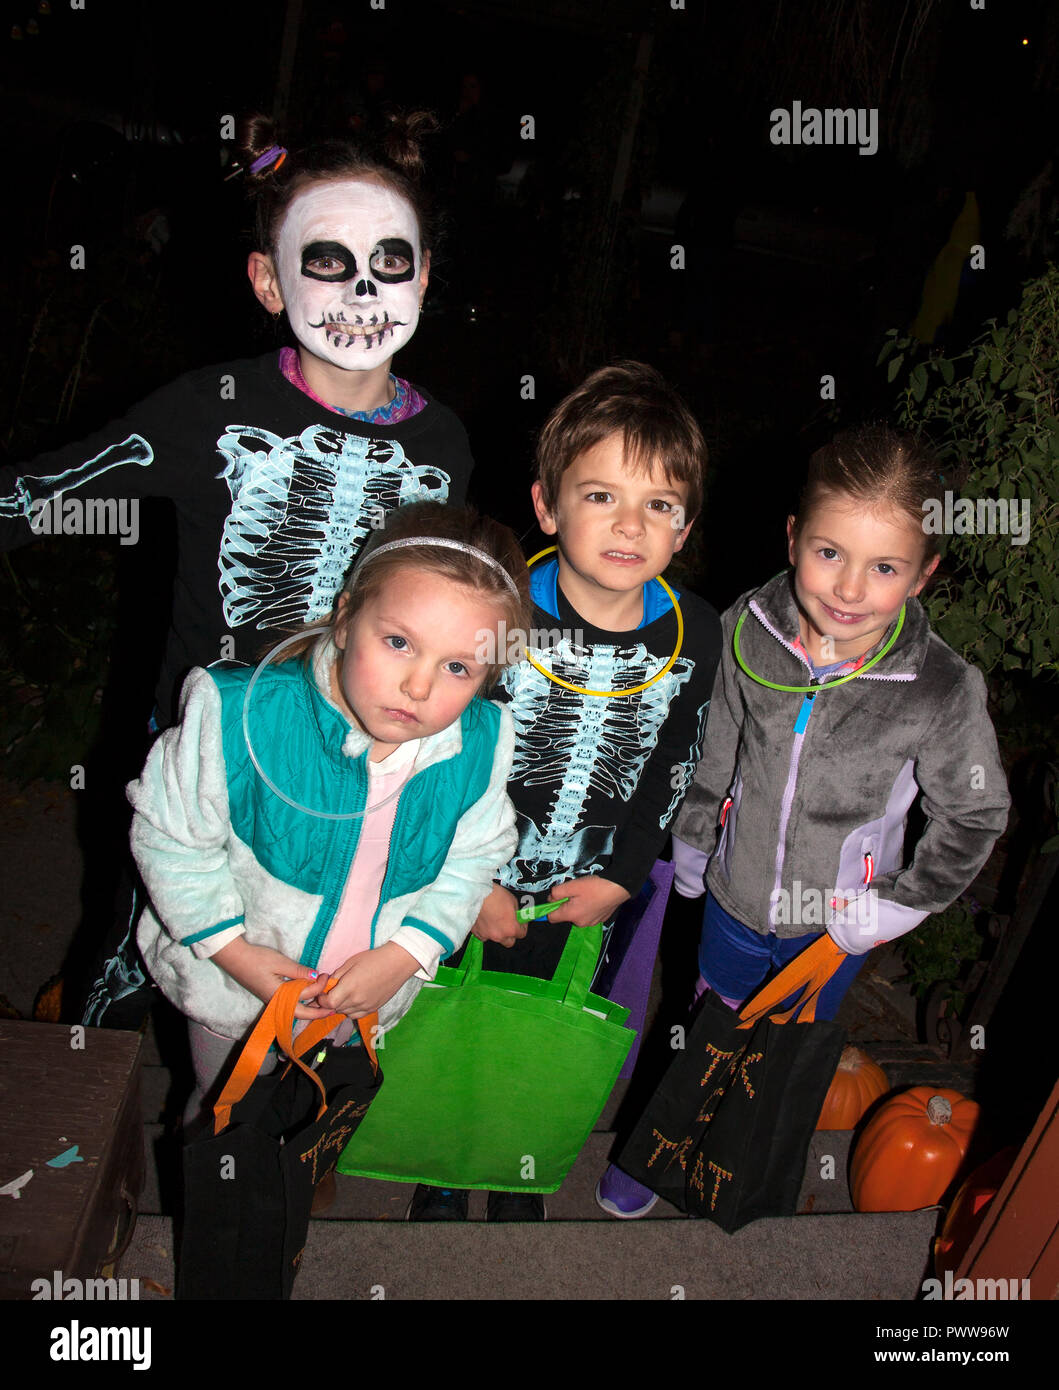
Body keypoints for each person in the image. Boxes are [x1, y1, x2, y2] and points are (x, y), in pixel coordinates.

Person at [0, 111, 475, 1024]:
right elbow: (45, 493)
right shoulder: (210, 409)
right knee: (134, 967)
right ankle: (87, 1118)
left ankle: (269, 1150)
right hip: (204, 756)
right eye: (327, 260)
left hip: (352, 764)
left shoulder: (443, 440)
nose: (362, 289)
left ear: (423, 276)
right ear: (268, 281)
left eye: (391, 260)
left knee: (309, 990)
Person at [602, 423, 1011, 1218]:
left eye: (883, 567)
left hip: (835, 926)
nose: (848, 589)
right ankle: (658, 1152)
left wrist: (894, 904)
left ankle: (732, 1166)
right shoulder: (745, 627)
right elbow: (713, 739)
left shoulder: (938, 687)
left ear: (922, 575)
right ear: (793, 538)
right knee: (708, 1021)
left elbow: (974, 813)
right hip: (733, 892)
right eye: (829, 552)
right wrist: (691, 831)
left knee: (782, 1048)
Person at [407, 361, 722, 1222]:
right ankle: (440, 1161)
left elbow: (672, 764)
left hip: (593, 886)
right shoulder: (499, 608)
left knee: (544, 1029)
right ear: (546, 506)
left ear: (683, 526)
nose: (630, 525)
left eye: (658, 505)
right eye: (600, 497)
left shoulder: (698, 632)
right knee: (457, 1019)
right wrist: (469, 881)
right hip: (476, 875)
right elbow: (449, 746)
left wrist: (624, 873)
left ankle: (517, 1165)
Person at [130, 502, 530, 1132]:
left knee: (318, 1107)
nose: (419, 687)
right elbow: (170, 841)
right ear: (346, 619)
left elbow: (472, 860)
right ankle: (219, 1177)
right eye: (398, 643)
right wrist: (234, 954)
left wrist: (405, 956)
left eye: (458, 667)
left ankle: (303, 1163)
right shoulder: (237, 716)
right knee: (223, 1107)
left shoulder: (482, 743)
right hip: (234, 989)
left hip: (367, 996)